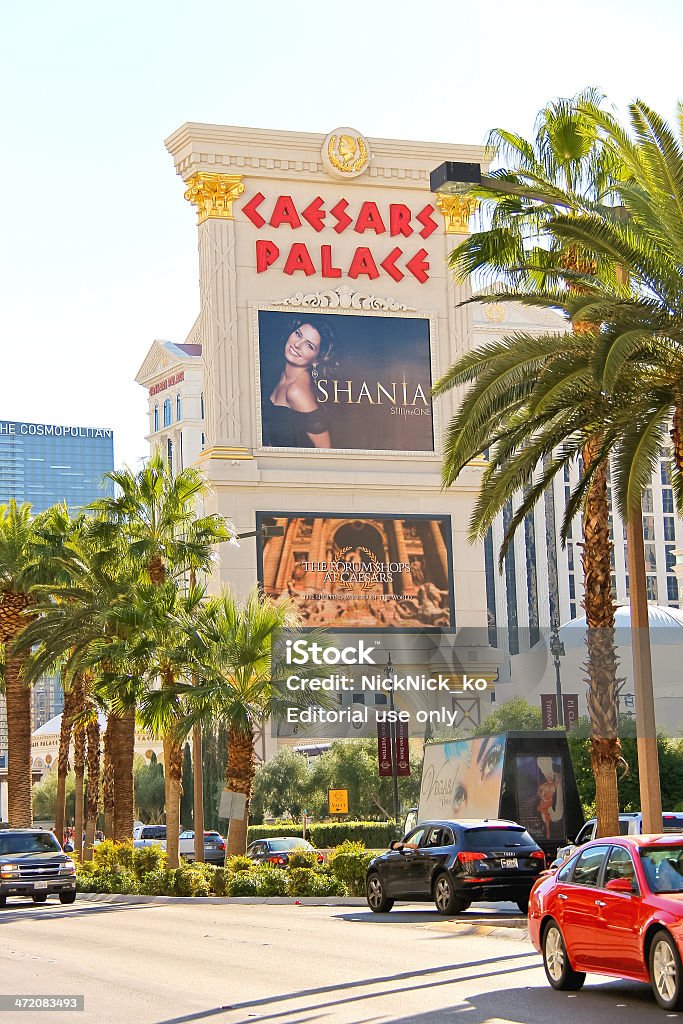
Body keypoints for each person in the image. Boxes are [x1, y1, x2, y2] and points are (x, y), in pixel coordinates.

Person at [261, 317, 336, 448]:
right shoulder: (280, 374)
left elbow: (326, 450)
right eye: (298, 334)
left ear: (317, 360)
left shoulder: (297, 392)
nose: (297, 344)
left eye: (309, 345)